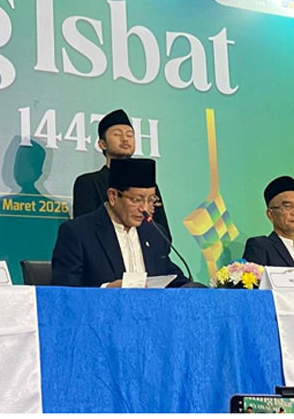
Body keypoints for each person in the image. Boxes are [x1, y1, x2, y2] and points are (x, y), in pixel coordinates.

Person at [52, 158, 190, 288]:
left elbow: (173, 278)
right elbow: (64, 293)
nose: (144, 208)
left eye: (151, 200)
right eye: (137, 200)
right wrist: (107, 289)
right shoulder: (78, 233)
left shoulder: (154, 233)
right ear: (113, 196)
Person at [72, 109, 172, 240]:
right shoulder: (88, 183)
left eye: (130, 135)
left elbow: (163, 236)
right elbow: (85, 232)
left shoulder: (146, 184)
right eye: (117, 134)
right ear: (102, 144)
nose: (125, 139)